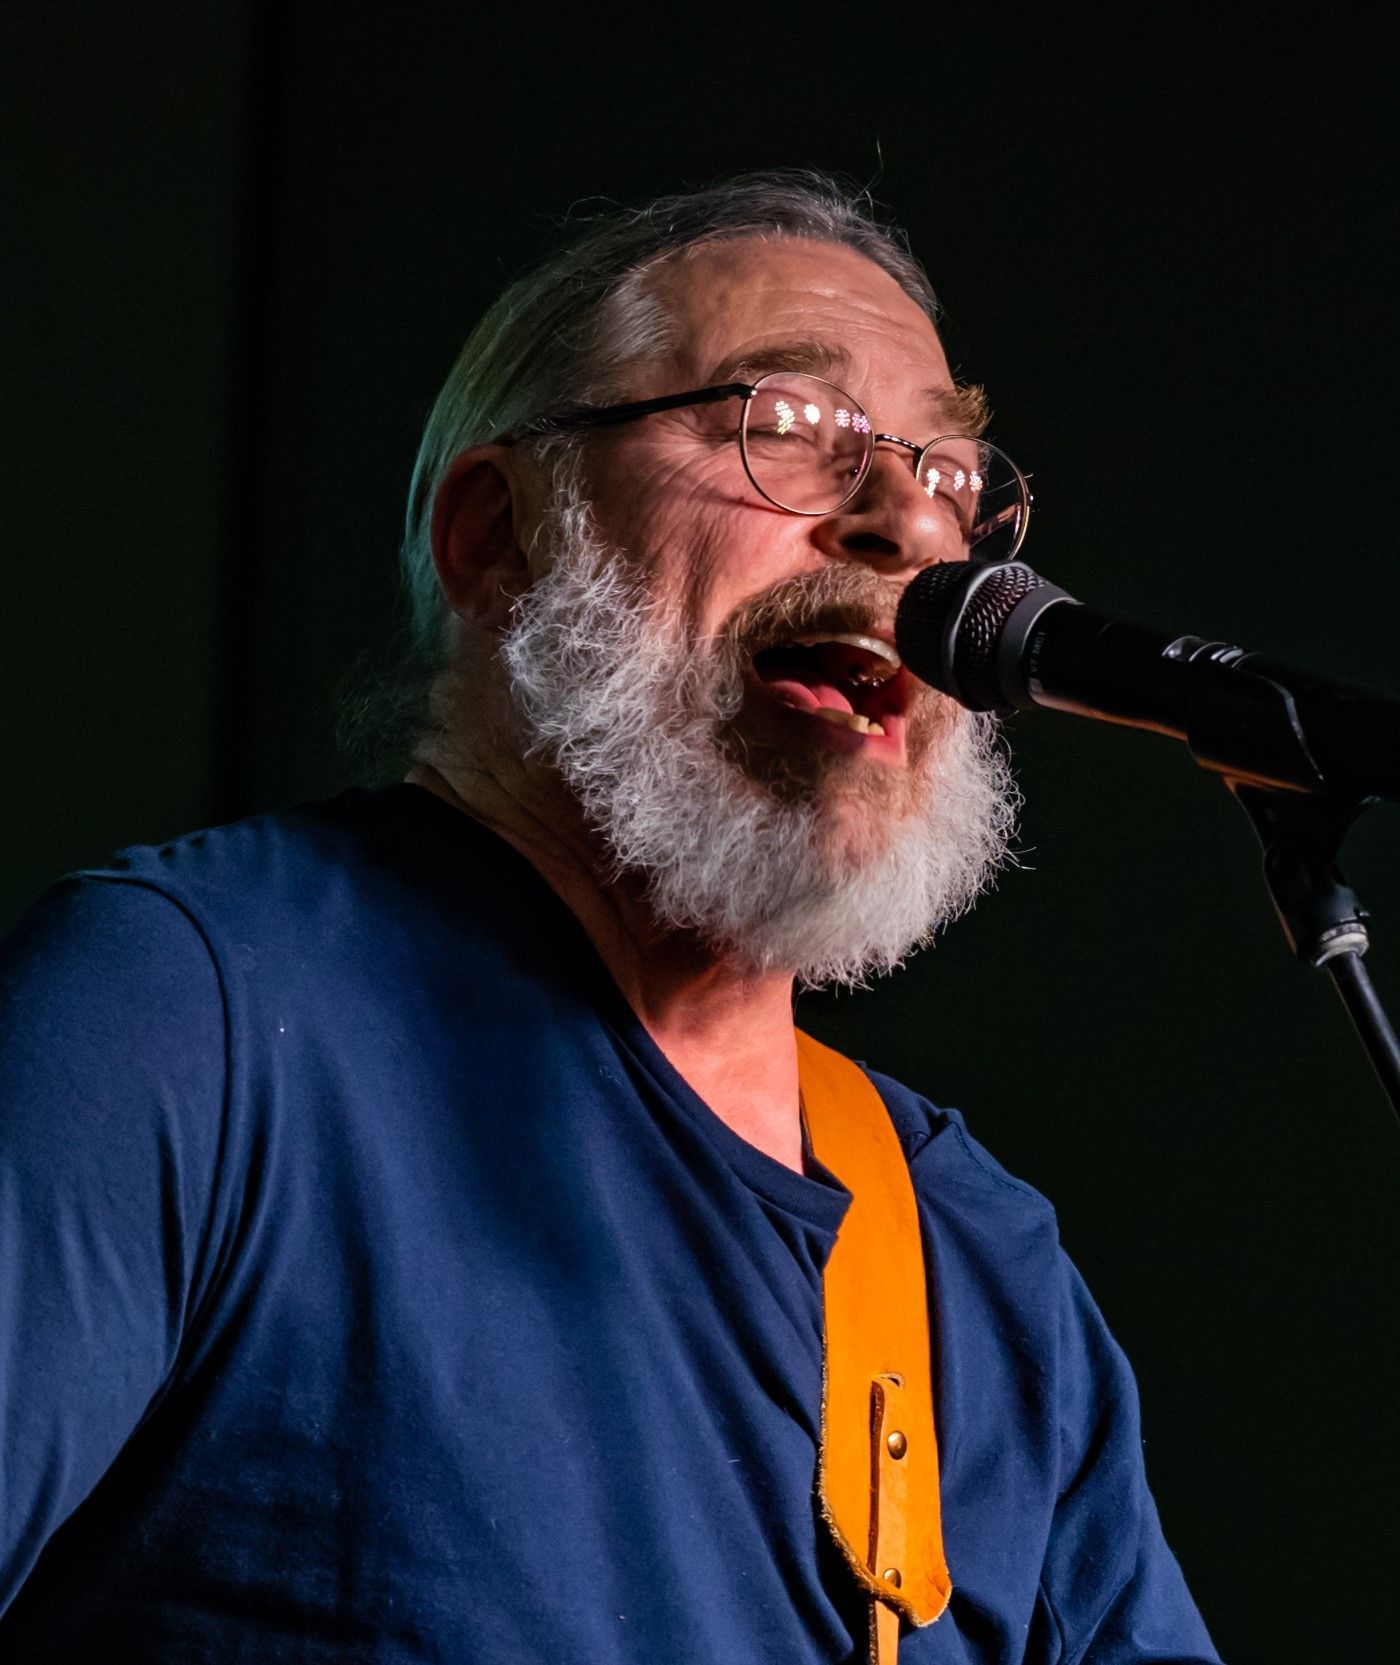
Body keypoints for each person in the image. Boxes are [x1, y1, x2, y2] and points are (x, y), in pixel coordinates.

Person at [0, 172, 1221, 1663]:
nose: (912, 523)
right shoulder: (180, 1019)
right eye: (790, 423)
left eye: (953, 477)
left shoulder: (980, 1263)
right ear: (500, 538)